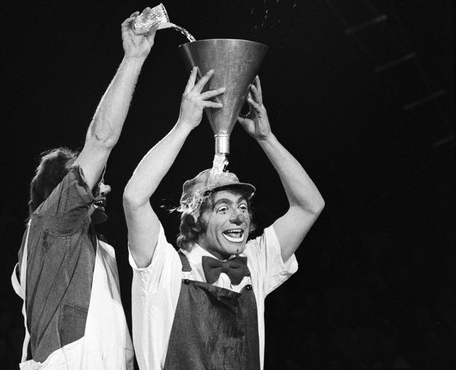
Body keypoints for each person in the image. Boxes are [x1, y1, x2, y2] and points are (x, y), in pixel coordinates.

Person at [123, 68, 325, 370]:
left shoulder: (254, 262)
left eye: (243, 207)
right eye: (224, 208)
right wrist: (184, 125)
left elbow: (310, 206)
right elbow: (134, 198)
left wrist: (266, 138)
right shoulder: (162, 268)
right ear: (196, 217)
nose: (239, 216)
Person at [10, 9, 157, 370]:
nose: (100, 186)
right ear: (60, 192)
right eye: (91, 180)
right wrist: (133, 58)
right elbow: (102, 139)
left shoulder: (99, 251)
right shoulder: (53, 224)